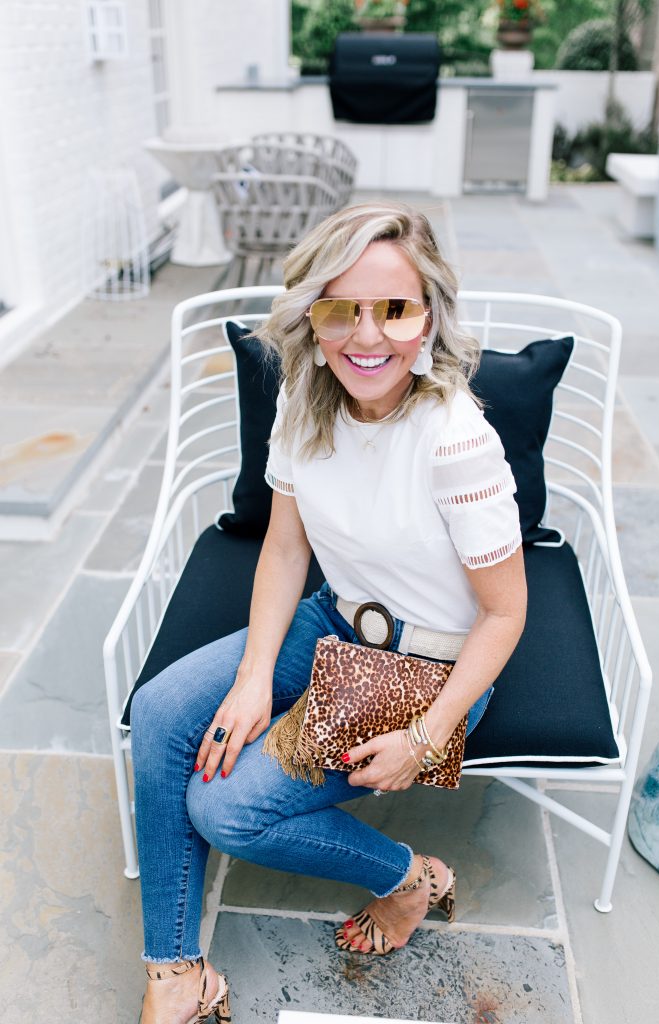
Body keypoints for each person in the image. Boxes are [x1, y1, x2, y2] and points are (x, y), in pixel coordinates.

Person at [131, 202, 527, 1024]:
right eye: (340, 307)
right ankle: (176, 970)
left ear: (429, 318)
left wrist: (427, 735)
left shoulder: (455, 441)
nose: (366, 336)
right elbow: (282, 550)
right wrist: (249, 681)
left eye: (394, 308)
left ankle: (408, 877)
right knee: (164, 709)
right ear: (312, 316)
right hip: (332, 618)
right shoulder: (304, 403)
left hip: (432, 664)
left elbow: (504, 615)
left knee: (228, 809)